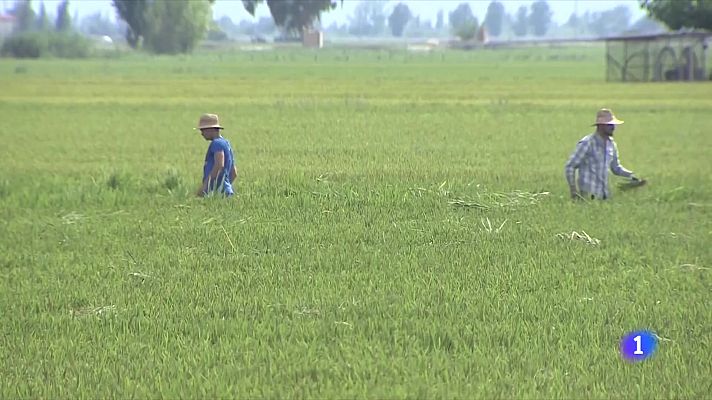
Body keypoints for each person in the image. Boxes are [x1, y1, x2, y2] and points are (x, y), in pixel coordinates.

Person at [565, 109, 642, 200]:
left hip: (604, 195)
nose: (613, 127)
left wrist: (632, 176)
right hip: (588, 196)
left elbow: (616, 168)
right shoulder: (587, 143)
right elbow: (570, 166)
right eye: (610, 125)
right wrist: (573, 190)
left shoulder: (611, 144)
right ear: (601, 126)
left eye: (613, 125)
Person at [194, 113, 237, 197]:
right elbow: (234, 172)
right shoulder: (226, 143)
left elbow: (219, 165)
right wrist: (226, 186)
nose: (202, 133)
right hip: (226, 193)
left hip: (215, 194)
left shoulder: (216, 144)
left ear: (211, 129)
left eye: (203, 130)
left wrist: (205, 187)